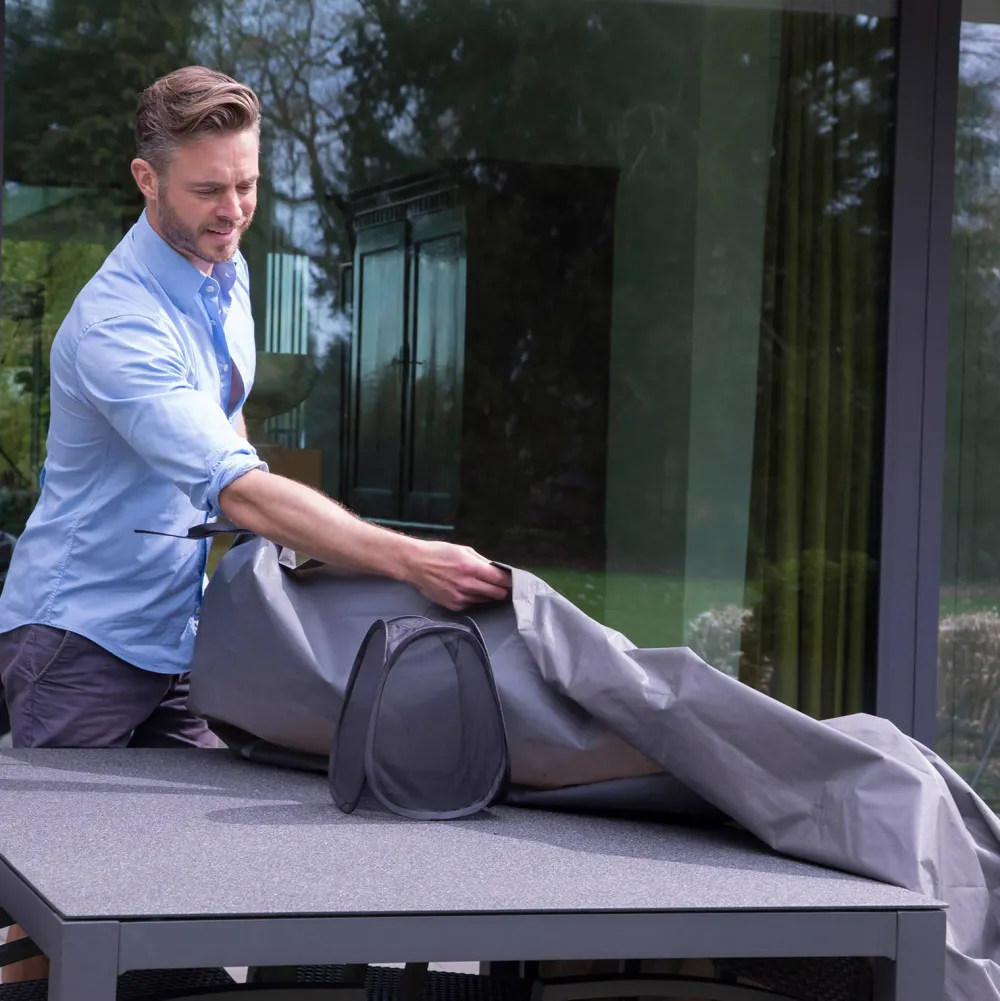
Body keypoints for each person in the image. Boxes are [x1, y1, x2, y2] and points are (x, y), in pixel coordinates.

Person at [0, 66, 510, 982]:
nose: (233, 209)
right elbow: (233, 484)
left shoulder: (224, 274)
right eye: (208, 189)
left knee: (187, 895)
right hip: (77, 641)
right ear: (147, 179)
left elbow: (229, 436)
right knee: (60, 915)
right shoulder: (117, 322)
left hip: (178, 638)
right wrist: (405, 559)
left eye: (247, 184)